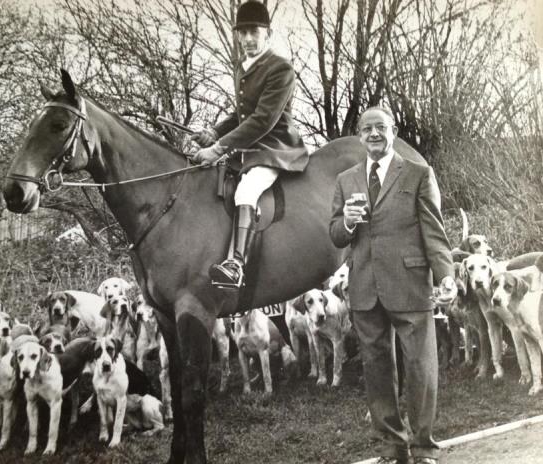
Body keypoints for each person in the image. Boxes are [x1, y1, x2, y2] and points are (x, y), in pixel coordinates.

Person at [329, 106, 456, 464]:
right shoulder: (346, 180)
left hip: (411, 284)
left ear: (393, 130)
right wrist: (348, 223)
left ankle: (424, 446)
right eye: (366, 128)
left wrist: (446, 275)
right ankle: (392, 446)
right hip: (365, 289)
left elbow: (435, 233)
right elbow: (335, 235)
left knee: (421, 369)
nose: (373, 134)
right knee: (377, 371)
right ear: (358, 135)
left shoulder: (418, 173)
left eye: (380, 127)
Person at [190, 0, 309, 289]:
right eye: (241, 33)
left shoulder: (281, 69)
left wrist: (218, 149)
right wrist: (213, 132)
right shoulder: (244, 67)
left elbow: (262, 119)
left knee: (246, 190)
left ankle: (236, 264)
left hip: (275, 148)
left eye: (253, 32)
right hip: (248, 150)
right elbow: (240, 115)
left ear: (267, 32)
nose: (247, 39)